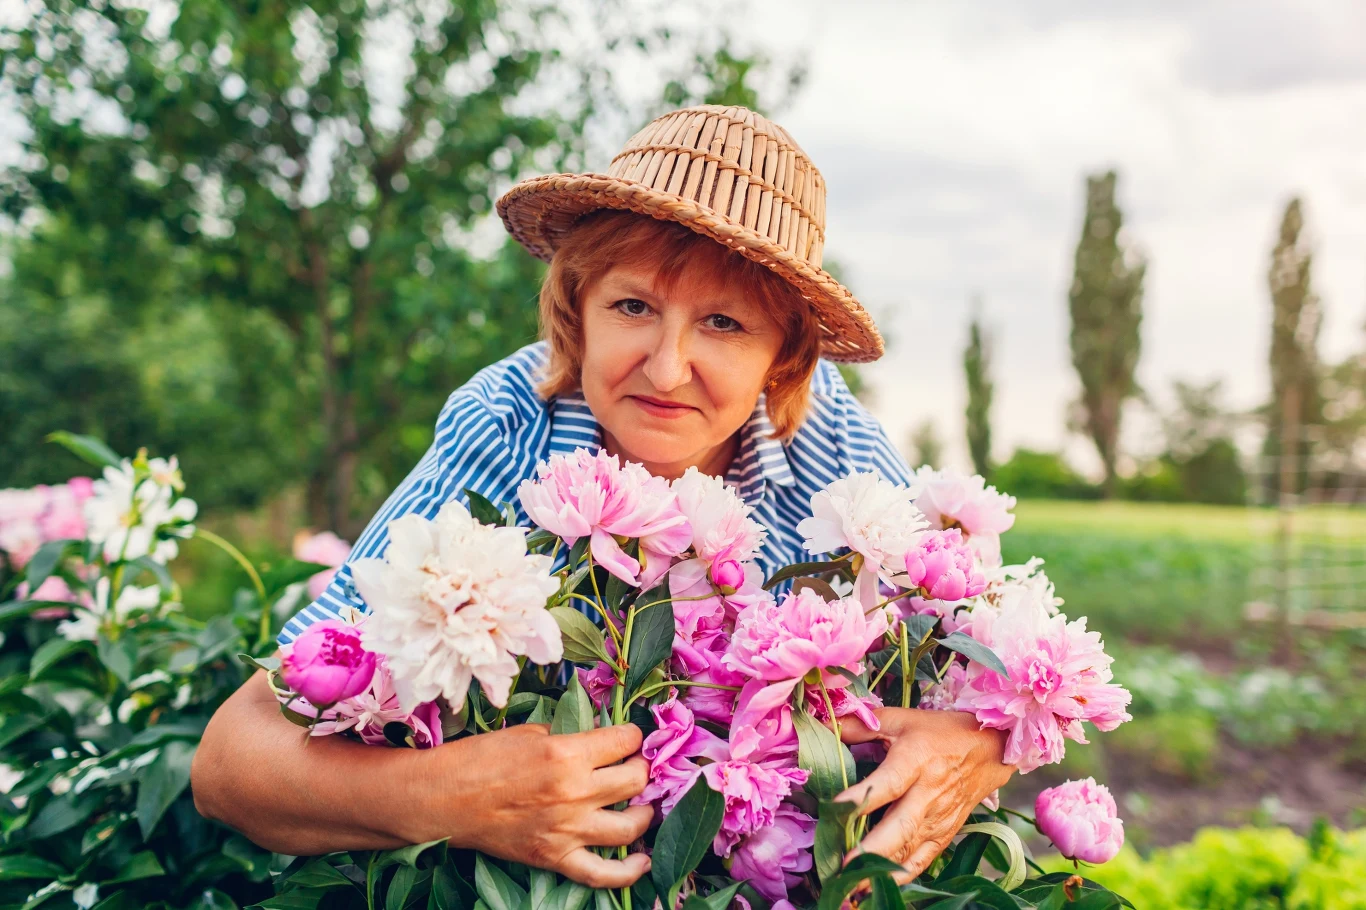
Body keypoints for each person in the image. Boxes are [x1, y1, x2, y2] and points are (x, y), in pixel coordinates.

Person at [193, 105, 1014, 889]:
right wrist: (453, 798)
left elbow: (996, 670)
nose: (666, 368)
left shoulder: (835, 449)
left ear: (785, 360)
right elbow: (231, 762)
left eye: (725, 323)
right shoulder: (506, 424)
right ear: (576, 310)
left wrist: (980, 744)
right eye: (633, 306)